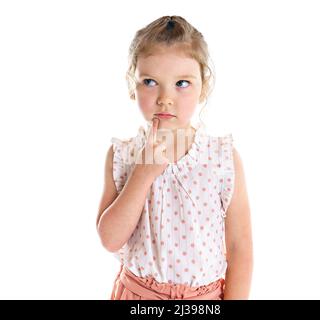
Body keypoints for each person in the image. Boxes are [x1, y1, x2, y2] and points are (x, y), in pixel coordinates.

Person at [96, 15, 253, 300]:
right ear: (133, 86)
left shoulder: (221, 158)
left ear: (203, 86)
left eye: (182, 83)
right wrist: (142, 174)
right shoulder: (122, 155)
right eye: (150, 81)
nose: (165, 97)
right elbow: (110, 239)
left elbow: (240, 247)